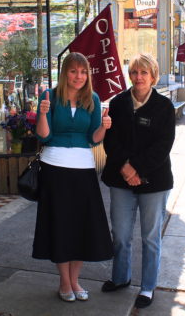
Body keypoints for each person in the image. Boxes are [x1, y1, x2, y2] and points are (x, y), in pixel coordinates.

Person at [33, 52, 113, 302]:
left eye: (83, 72)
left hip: (83, 170)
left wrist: (104, 126)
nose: (78, 76)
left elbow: (93, 138)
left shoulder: (93, 98)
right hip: (54, 168)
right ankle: (64, 282)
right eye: (73, 71)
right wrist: (44, 114)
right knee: (60, 225)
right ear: (64, 72)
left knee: (82, 226)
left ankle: (76, 281)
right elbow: (43, 136)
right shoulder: (49, 97)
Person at [101, 53, 175, 309]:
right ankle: (120, 277)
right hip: (120, 179)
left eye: (144, 73)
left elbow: (163, 146)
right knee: (120, 234)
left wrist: (137, 169)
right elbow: (110, 140)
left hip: (154, 181)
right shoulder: (119, 103)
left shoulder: (164, 107)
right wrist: (125, 168)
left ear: (153, 76)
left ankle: (147, 287)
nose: (138, 77)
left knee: (150, 237)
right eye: (134, 72)